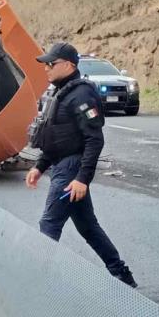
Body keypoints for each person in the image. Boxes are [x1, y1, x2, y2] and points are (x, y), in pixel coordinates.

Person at [25, 42, 137, 288]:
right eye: (45, 64)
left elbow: (94, 139)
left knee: (49, 222)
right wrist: (40, 166)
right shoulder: (60, 92)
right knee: (87, 226)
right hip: (62, 165)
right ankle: (122, 275)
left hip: (71, 168)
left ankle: (39, 281)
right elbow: (56, 137)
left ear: (69, 65)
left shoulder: (82, 94)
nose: (46, 69)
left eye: (51, 64)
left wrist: (81, 178)